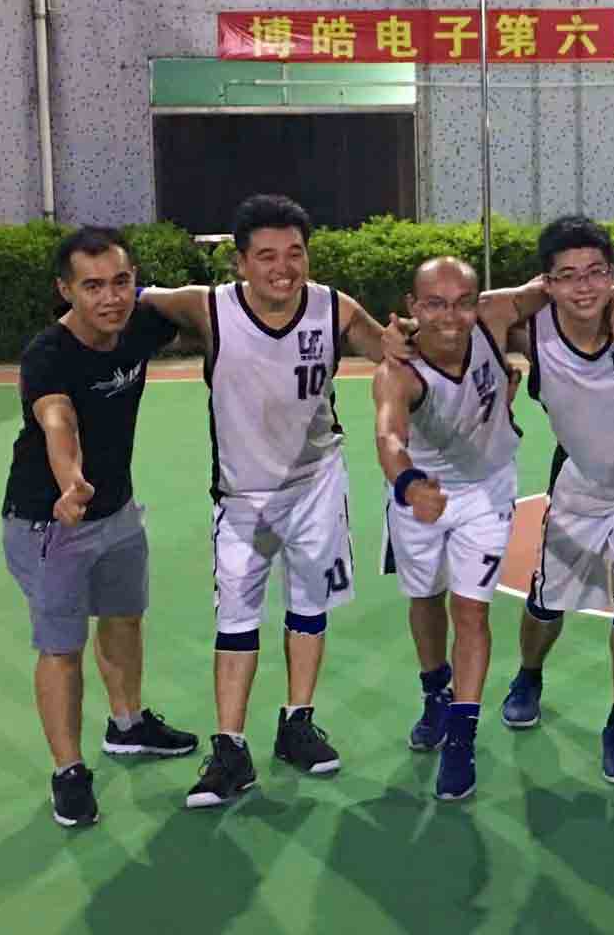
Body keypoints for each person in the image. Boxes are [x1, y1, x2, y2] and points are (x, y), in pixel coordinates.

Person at [142, 194, 404, 809]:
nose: (283, 268)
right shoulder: (209, 308)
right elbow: (143, 297)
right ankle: (230, 748)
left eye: (295, 253)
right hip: (243, 498)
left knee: (309, 607)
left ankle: (296, 723)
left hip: (316, 485)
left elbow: (386, 348)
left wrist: (402, 342)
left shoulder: (333, 307)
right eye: (266, 256)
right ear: (240, 263)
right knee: (236, 618)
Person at [2, 226, 198, 828]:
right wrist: (71, 481)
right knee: (62, 649)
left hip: (118, 513)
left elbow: (199, 304)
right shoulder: (48, 355)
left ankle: (127, 725)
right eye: (93, 287)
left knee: (123, 618)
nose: (111, 297)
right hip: (51, 521)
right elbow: (57, 421)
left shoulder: (137, 323)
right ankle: (68, 772)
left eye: (121, 282)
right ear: (66, 290)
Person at [495, 216, 614, 785]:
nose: (584, 286)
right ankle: (529, 673)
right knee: (548, 602)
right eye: (567, 275)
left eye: (597, 273)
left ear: (613, 274)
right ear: (547, 282)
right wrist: (535, 293)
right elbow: (478, 311)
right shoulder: (535, 332)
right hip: (581, 487)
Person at [373, 256, 560, 802]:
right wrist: (410, 484)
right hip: (422, 493)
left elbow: (553, 285)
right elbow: (389, 436)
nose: (450, 317)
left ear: (478, 303)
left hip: (486, 491)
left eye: (461, 303)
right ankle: (435, 691)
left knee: (471, 611)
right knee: (425, 598)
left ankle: (462, 736)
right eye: (434, 304)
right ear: (413, 307)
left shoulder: (494, 318)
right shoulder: (399, 371)